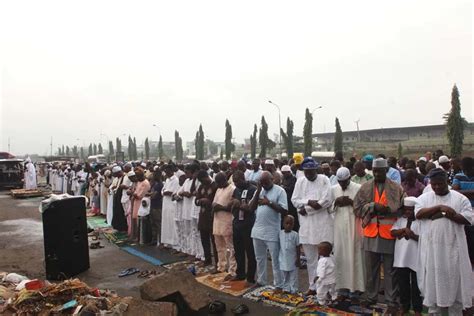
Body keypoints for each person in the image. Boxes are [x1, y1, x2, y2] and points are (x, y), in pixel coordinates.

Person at [415, 168, 473, 314]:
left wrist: (447, 215)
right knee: (433, 284)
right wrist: (440, 208)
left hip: (453, 248)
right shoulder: (425, 198)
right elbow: (419, 213)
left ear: (447, 181)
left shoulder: (460, 198)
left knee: (454, 282)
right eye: (434, 184)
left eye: (440, 184)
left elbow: (468, 219)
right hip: (432, 250)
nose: (437, 187)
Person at [353, 158, 405, 313]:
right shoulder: (365, 187)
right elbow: (356, 208)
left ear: (386, 170)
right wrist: (370, 207)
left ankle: (391, 300)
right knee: (371, 269)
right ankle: (371, 297)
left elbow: (402, 210)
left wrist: (387, 210)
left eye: (379, 171)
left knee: (390, 271)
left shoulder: (396, 188)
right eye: (374, 171)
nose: (376, 173)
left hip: (389, 234)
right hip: (370, 233)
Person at [291, 157, 334, 296]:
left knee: (326, 260)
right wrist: (309, 201)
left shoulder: (324, 180)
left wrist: (306, 208)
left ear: (316, 169)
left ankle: (327, 288)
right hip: (307, 227)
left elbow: (326, 201)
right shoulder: (300, 181)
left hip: (322, 226)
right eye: (306, 172)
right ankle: (313, 287)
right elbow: (294, 200)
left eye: (311, 171)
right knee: (311, 260)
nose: (309, 174)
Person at [249, 171, 287, 290]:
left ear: (272, 179)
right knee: (259, 258)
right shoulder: (259, 191)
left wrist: (269, 202)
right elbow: (251, 208)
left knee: (275, 260)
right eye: (262, 182)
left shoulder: (280, 191)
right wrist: (258, 191)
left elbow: (284, 211)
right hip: (257, 230)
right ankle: (261, 281)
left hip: (272, 231)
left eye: (266, 182)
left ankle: (279, 285)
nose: (264, 185)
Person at [331, 167, 365, 300]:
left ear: (350, 178)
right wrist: (336, 202)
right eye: (340, 182)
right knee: (340, 256)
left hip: (354, 228)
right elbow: (328, 209)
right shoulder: (333, 189)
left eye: (344, 182)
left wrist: (351, 202)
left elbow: (364, 208)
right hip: (339, 228)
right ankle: (342, 288)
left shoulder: (358, 188)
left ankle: (355, 289)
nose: (342, 185)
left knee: (354, 256)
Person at [390, 197, 422, 316]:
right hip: (401, 258)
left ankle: (417, 309)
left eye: (411, 210)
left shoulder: (420, 222)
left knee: (416, 285)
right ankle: (404, 306)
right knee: (403, 284)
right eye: (406, 210)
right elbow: (392, 232)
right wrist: (403, 230)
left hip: (415, 258)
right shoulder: (400, 220)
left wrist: (412, 235)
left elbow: (424, 239)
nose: (408, 212)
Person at [230, 170, 257, 284]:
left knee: (250, 252)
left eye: (237, 181)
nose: (235, 184)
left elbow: (251, 207)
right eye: (234, 182)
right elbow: (232, 200)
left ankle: (250, 277)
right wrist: (233, 202)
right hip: (237, 223)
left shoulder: (252, 189)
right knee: (238, 250)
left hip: (248, 223)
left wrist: (240, 205)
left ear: (243, 178)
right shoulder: (236, 190)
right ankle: (240, 273)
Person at [212, 172, 236, 278]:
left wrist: (220, 207)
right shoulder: (218, 189)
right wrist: (215, 206)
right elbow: (214, 203)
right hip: (217, 221)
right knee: (219, 246)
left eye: (218, 182)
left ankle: (232, 270)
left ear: (223, 181)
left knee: (231, 247)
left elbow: (232, 207)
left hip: (227, 221)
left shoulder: (232, 189)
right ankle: (221, 267)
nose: (217, 185)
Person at [196, 170, 218, 267]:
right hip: (203, 216)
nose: (202, 183)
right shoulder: (201, 186)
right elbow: (196, 200)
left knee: (214, 242)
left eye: (202, 180)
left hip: (212, 217)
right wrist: (200, 201)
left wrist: (208, 201)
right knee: (204, 239)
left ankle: (218, 263)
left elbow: (217, 201)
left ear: (206, 177)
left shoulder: (215, 186)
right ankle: (207, 259)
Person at [278, 215, 300, 294]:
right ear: (283, 224)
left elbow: (298, 247)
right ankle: (286, 288)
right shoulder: (280, 233)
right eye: (286, 223)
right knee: (284, 275)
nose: (288, 225)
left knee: (293, 276)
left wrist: (298, 259)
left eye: (291, 224)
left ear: (293, 225)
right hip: (283, 258)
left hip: (293, 259)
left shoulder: (295, 234)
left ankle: (294, 289)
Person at [161, 164, 179, 249]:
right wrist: (164, 192)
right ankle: (166, 242)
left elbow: (174, 192)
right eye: (165, 172)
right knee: (166, 222)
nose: (166, 173)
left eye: (168, 172)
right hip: (165, 203)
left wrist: (167, 192)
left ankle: (174, 244)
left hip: (172, 204)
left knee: (172, 223)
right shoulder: (167, 180)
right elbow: (163, 190)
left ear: (172, 171)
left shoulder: (176, 180)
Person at [280, 165, 299, 231]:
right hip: (285, 201)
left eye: (284, 173)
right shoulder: (283, 178)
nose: (283, 174)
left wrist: (283, 187)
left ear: (288, 172)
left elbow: (292, 188)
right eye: (282, 173)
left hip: (291, 202)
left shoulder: (294, 179)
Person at [111, 166, 128, 232]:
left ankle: (123, 227)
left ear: (119, 172)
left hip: (123, 197)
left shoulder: (125, 177)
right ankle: (117, 226)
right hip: (117, 196)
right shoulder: (118, 178)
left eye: (115, 174)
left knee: (121, 212)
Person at [149, 170, 163, 246]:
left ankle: (160, 241)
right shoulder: (155, 184)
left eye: (154, 175)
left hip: (157, 206)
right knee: (153, 223)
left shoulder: (160, 185)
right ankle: (154, 240)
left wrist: (150, 195)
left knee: (158, 223)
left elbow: (154, 195)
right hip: (153, 205)